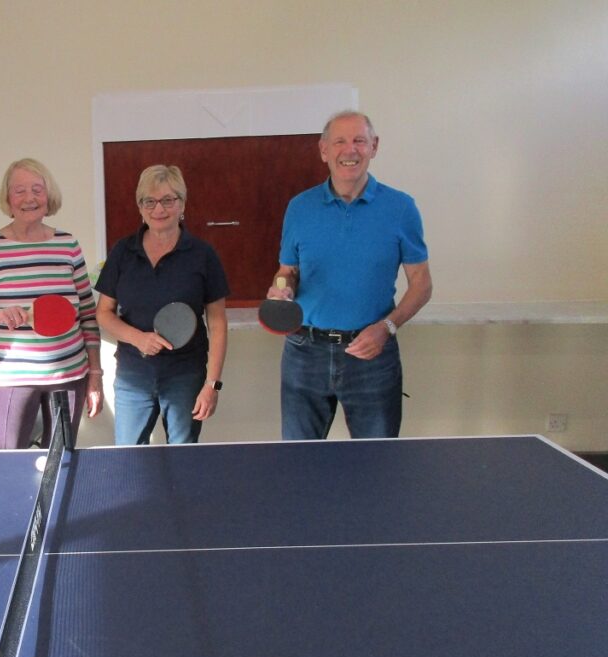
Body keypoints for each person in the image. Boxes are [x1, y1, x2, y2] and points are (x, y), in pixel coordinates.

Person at [269, 110, 433, 440]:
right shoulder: (299, 207)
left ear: (374, 146)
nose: (350, 150)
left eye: (359, 140)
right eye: (340, 141)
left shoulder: (401, 208)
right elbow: (288, 272)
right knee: (298, 462)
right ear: (323, 150)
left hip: (372, 355)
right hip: (304, 352)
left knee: (376, 462)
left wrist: (387, 327)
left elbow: (422, 284)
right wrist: (281, 289)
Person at [0, 158, 102, 448]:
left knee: (60, 461)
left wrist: (95, 374)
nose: (29, 198)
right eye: (19, 190)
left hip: (69, 376)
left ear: (49, 197)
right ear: (8, 199)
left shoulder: (68, 245)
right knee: (8, 463)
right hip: (13, 379)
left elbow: (87, 315)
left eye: (37, 189)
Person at [95, 164, 229, 445]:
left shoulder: (202, 255)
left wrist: (212, 384)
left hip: (185, 374)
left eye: (168, 200)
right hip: (133, 374)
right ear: (140, 207)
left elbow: (217, 324)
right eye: (150, 201)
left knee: (182, 457)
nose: (159, 209)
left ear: (182, 204)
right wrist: (138, 338)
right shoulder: (123, 252)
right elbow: (104, 313)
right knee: (129, 456)